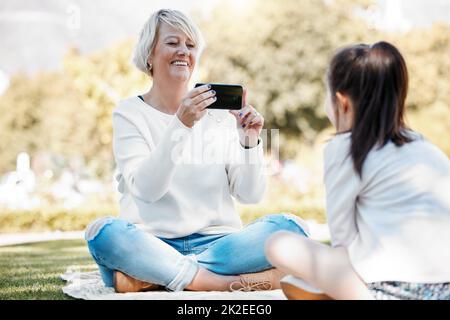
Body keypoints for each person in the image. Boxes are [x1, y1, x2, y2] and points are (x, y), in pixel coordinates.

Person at [84, 9, 308, 293]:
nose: (183, 51)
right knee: (103, 233)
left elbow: (250, 195)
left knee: (291, 228)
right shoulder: (129, 113)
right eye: (172, 42)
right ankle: (214, 282)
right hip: (152, 241)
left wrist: (249, 142)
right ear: (149, 54)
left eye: (190, 45)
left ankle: (154, 276)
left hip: (219, 244)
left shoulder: (220, 116)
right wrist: (181, 124)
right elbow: (147, 190)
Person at [266, 41, 450, 300]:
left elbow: (343, 243)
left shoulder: (346, 148)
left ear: (342, 102)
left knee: (277, 243)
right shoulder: (424, 147)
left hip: (384, 291)